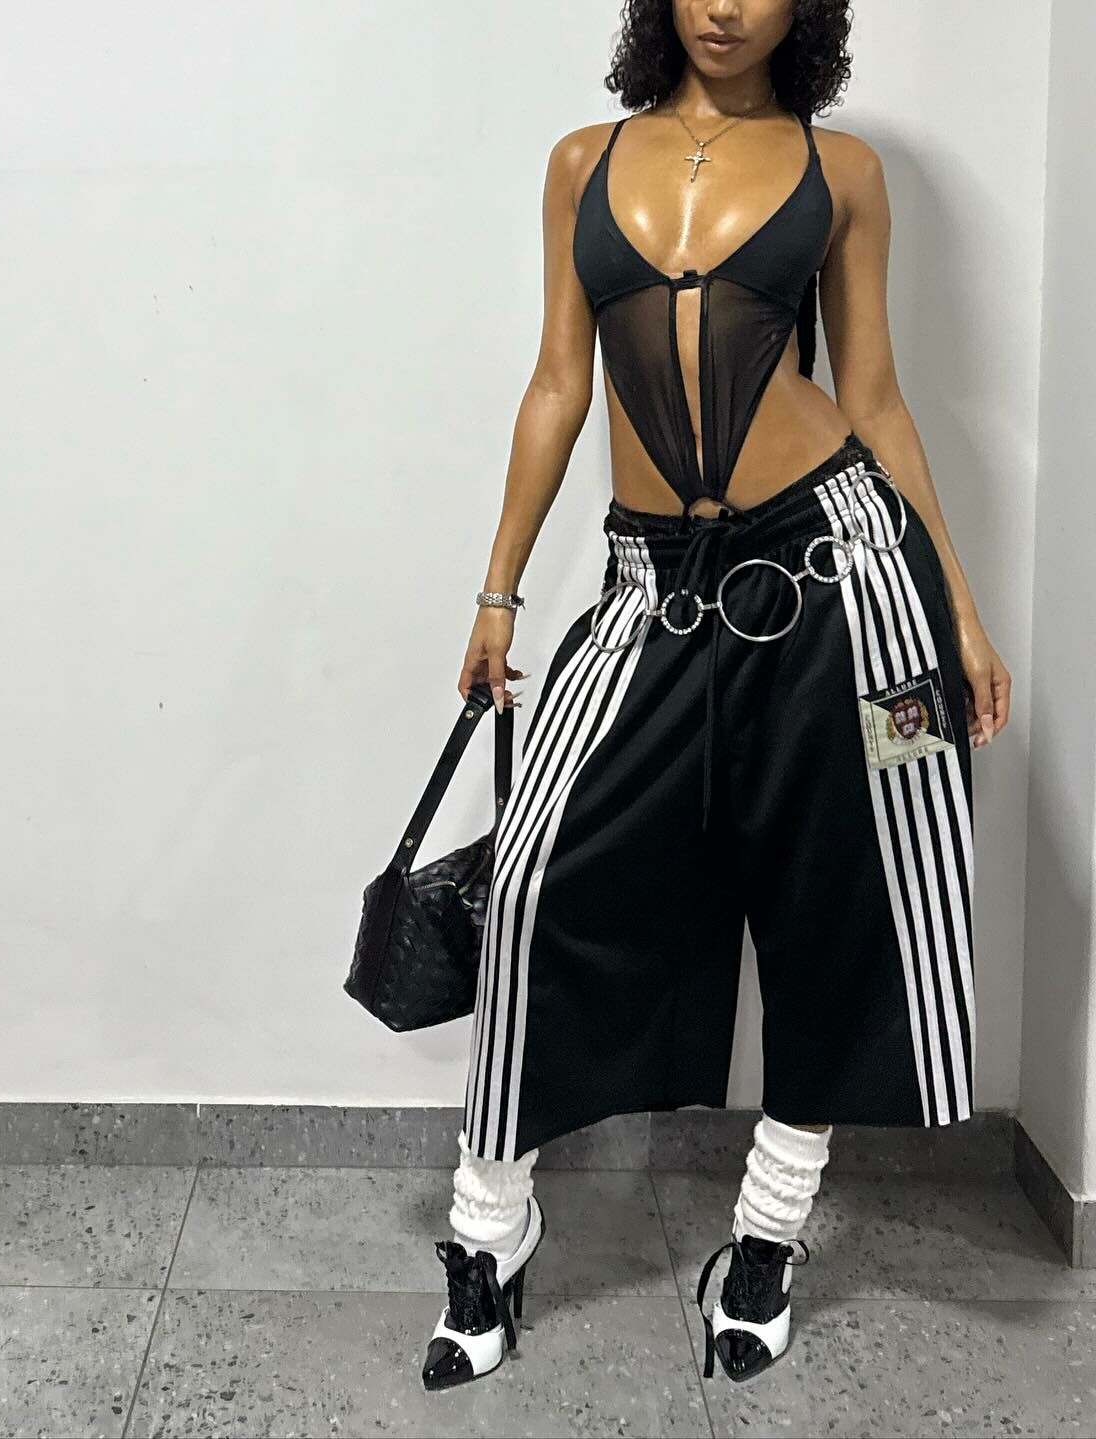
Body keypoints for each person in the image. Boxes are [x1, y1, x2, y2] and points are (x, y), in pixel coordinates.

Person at [422, 0, 1011, 1393]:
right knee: (534, 887)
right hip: (650, 590)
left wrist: (961, 612)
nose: (727, 6)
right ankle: (489, 1231)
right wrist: (499, 591)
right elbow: (558, 382)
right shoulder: (583, 162)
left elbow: (875, 398)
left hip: (843, 579)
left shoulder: (841, 172)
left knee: (844, 901)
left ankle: (765, 1238)